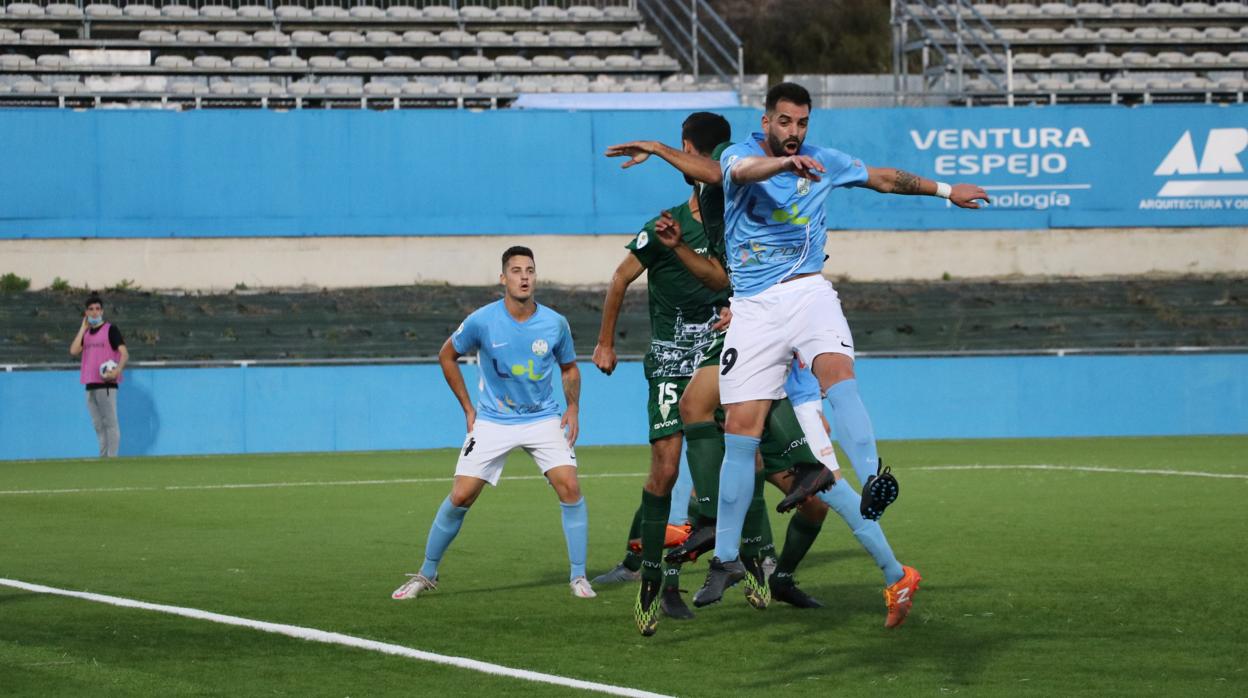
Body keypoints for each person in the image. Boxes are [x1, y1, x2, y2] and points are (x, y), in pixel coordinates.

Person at [697, 82, 989, 627]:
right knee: (740, 432)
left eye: (802, 124)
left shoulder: (824, 161)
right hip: (754, 309)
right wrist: (785, 167)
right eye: (785, 122)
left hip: (808, 292)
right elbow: (738, 175)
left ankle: (875, 475)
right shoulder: (741, 153)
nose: (794, 132)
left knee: (838, 377)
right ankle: (727, 559)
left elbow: (882, 178)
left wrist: (946, 190)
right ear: (766, 121)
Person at [591, 112, 734, 635]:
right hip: (672, 360)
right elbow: (620, 277)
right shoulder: (665, 225)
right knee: (667, 471)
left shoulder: (733, 227)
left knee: (724, 467)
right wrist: (606, 342)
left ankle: (738, 564)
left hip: (720, 354)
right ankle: (652, 577)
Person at [392, 246, 595, 601]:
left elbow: (569, 367)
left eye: (530, 270)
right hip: (494, 420)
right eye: (516, 271)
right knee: (461, 495)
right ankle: (426, 572)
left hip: (542, 417)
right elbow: (447, 355)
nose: (524, 276)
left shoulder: (554, 323)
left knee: (570, 487)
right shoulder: (482, 321)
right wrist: (468, 409)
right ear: (503, 278)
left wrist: (573, 408)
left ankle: (579, 577)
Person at [69, 292, 128, 458]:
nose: (94, 312)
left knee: (110, 423)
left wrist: (117, 370)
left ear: (102, 311)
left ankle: (112, 458)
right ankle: (103, 458)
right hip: (90, 384)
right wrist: (82, 328)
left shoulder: (111, 330)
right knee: (98, 425)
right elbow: (73, 350)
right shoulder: (86, 334)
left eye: (97, 309)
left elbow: (124, 353)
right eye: (90, 309)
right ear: (86, 313)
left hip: (107, 385)